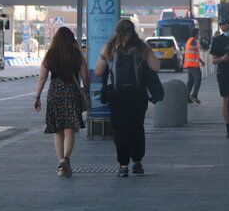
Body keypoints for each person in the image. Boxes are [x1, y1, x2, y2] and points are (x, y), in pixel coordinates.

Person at [94, 19, 161, 177]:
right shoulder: (142, 48)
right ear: (132, 31)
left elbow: (97, 71)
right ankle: (137, 163)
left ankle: (123, 165)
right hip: (137, 95)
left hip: (117, 96)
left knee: (120, 130)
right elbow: (156, 67)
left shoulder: (109, 48)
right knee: (137, 128)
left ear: (117, 32)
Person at [33, 26, 90, 178]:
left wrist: (37, 97)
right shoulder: (77, 54)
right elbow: (85, 76)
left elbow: (42, 78)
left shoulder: (50, 54)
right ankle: (66, 159)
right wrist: (87, 91)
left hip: (55, 92)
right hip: (71, 92)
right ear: (72, 39)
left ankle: (60, 164)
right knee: (69, 129)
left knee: (58, 130)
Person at [184, 28, 205, 104]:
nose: (199, 35)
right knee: (198, 78)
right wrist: (198, 47)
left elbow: (194, 53)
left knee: (191, 81)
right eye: (198, 33)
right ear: (196, 34)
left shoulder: (192, 40)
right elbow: (191, 47)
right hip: (192, 65)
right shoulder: (192, 40)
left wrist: (201, 61)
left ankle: (186, 97)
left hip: (190, 64)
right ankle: (194, 95)